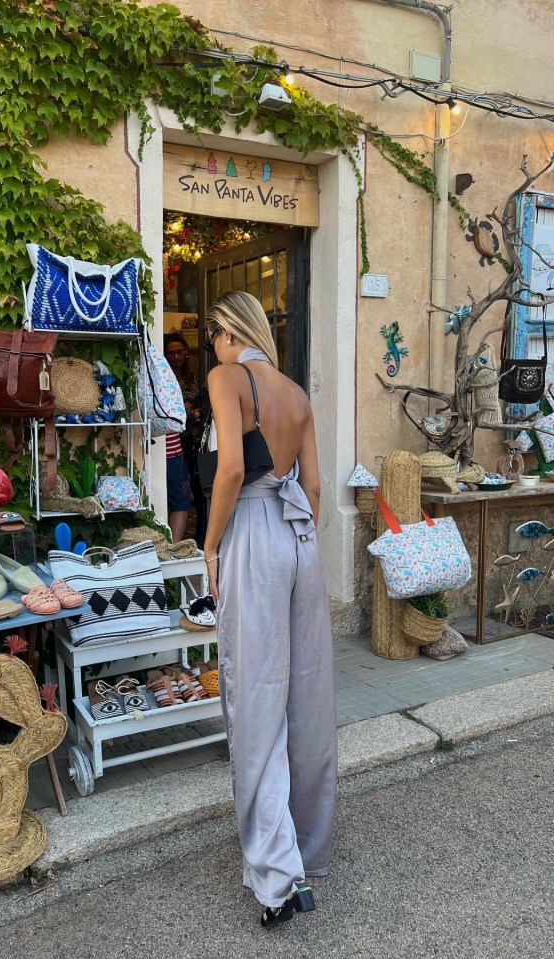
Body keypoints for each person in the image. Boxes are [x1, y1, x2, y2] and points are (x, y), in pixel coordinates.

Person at [201, 291, 337, 930]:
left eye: (212, 335)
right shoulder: (297, 394)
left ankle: (278, 880)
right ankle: (306, 847)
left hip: (254, 531)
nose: (212, 347)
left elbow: (230, 468)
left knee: (255, 698)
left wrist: (209, 544)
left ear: (228, 329)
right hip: (300, 536)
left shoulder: (228, 377)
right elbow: (313, 488)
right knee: (306, 697)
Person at [163, 333, 201, 543]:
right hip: (174, 441)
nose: (176, 356)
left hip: (190, 436)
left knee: (187, 489)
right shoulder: (164, 378)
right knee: (179, 497)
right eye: (171, 353)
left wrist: (193, 412)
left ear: (186, 353)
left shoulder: (192, 377)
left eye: (179, 352)